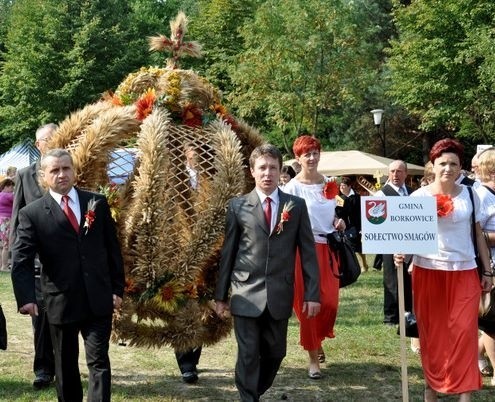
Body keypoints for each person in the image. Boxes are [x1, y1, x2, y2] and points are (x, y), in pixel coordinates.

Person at [11, 148, 125, 402]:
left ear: (74, 170)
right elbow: (21, 260)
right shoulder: (32, 214)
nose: (62, 174)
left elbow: (112, 249)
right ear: (44, 175)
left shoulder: (96, 202)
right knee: (65, 366)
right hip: (60, 301)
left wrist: (117, 289)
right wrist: (26, 297)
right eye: (55, 170)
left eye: (66, 168)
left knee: (99, 362)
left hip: (98, 298)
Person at [215, 143, 320, 402]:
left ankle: (253, 389)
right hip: (245, 293)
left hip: (280, 293)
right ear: (252, 171)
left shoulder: (295, 206)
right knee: (248, 353)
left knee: (275, 353)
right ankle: (248, 397)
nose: (267, 173)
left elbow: (308, 253)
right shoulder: (238, 206)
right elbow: (228, 253)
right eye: (262, 168)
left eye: (273, 168)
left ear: (279, 170)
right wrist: (220, 296)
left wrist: (312, 293)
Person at [395, 138, 491, 401]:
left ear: (461, 167)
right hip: (428, 272)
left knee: (463, 333)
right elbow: (405, 237)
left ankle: (464, 394)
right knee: (432, 334)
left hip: (465, 273)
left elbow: (478, 233)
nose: (448, 168)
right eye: (442, 163)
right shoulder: (418, 197)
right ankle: (431, 389)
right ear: (433, 165)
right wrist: (400, 252)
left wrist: (487, 271)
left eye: (453, 163)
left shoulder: (473, 194)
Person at [283, 135, 344, 378]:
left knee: (329, 303)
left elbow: (334, 212)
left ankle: (317, 340)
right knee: (308, 305)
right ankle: (313, 359)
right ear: (298, 158)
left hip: (328, 249)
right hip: (302, 251)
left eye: (315, 152)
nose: (311, 157)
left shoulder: (330, 183)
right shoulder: (291, 188)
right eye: (306, 153)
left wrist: (338, 221)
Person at [9, 122, 57, 389]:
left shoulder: (69, 170)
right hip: (36, 257)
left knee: (61, 315)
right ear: (38, 145)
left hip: (63, 258)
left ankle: (62, 365)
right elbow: (17, 215)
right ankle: (43, 369)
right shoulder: (26, 175)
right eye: (45, 140)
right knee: (40, 315)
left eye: (53, 138)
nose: (49, 143)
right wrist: (16, 252)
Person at [174, 143, 202, 384]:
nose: (195, 153)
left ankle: (194, 356)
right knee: (180, 303)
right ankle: (186, 363)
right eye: (191, 148)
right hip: (178, 249)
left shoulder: (211, 177)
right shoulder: (173, 175)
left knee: (202, 303)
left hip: (206, 247)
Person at [375, 160, 413, 325]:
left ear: (405, 173)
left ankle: (408, 312)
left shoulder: (413, 193)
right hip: (389, 241)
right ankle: (390, 316)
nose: (395, 175)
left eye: (399, 171)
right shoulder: (381, 194)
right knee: (391, 279)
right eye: (392, 171)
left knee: (409, 277)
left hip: (409, 241)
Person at [474, 148, 495, 384]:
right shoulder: (480, 195)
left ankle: (474, 354)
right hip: (491, 266)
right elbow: (475, 233)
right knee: (492, 323)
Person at [336, 176, 368, 272]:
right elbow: (338, 212)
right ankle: (352, 266)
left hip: (355, 225)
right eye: (340, 185)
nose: (341, 187)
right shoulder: (339, 198)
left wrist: (361, 228)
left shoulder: (357, 198)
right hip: (343, 225)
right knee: (348, 246)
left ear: (349, 186)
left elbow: (360, 213)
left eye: (344, 185)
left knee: (358, 247)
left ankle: (364, 264)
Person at [0, 178, 14, 271]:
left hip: (1, 220)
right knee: (6, 245)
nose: (13, 189)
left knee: (1, 246)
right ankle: (4, 266)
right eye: (11, 187)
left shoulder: (0, 195)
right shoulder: (9, 196)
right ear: (6, 186)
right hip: (6, 221)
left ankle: (1, 265)